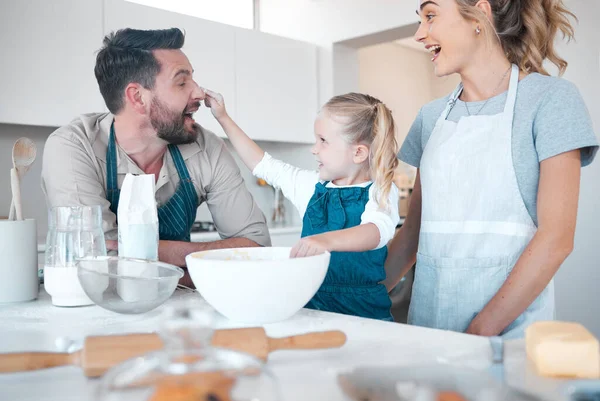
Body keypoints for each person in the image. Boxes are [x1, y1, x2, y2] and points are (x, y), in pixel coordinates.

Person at [385, 0, 599, 338]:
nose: (419, 34)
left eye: (430, 16)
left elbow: (556, 239)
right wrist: (356, 300)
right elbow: (412, 234)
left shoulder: (551, 100)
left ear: (480, 14)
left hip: (509, 340)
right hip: (428, 334)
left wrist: (477, 334)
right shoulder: (431, 117)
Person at [41, 28, 271, 285]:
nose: (199, 94)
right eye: (182, 82)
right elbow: (98, 264)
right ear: (137, 97)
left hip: (184, 311)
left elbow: (258, 248)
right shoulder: (74, 147)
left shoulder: (206, 147)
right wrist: (206, 263)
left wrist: (152, 254)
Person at [201, 89, 400, 321]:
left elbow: (375, 231)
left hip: (365, 313)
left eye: (323, 141)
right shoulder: (310, 186)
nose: (314, 148)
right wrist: (222, 117)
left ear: (358, 153)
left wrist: (325, 241)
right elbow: (262, 164)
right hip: (311, 308)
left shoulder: (381, 190)